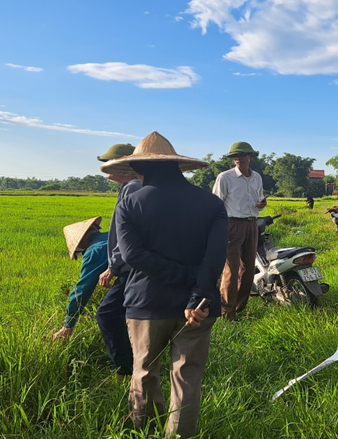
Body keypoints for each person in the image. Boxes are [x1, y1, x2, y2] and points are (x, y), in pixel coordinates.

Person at [100, 131, 229, 438]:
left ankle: (147, 431)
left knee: (144, 372)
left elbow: (132, 255)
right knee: (187, 377)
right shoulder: (211, 204)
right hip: (199, 306)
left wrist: (181, 277)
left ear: (140, 168)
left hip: (147, 302)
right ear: (176, 166)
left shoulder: (130, 203)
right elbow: (216, 258)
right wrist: (197, 288)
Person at [95, 143, 140, 380]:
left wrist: (113, 267)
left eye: (108, 162)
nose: (104, 167)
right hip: (130, 264)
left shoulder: (132, 188)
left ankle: (126, 368)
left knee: (107, 314)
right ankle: (134, 361)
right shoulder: (128, 187)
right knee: (126, 314)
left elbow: (129, 234)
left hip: (131, 265)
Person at [212, 141, 266, 320]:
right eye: (235, 156)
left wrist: (261, 205)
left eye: (242, 155)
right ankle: (227, 312)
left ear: (250, 157)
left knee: (249, 268)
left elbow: (258, 205)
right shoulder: (225, 177)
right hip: (231, 224)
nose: (238, 158)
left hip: (252, 224)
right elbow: (216, 204)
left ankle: (240, 306)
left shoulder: (257, 177)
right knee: (231, 269)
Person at [53, 217, 107, 341]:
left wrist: (68, 325)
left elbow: (82, 290)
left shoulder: (94, 251)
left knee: (106, 315)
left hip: (143, 281)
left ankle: (125, 359)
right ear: (96, 228)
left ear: (81, 242)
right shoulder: (112, 236)